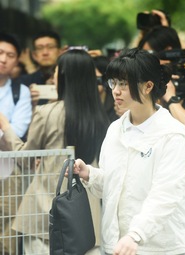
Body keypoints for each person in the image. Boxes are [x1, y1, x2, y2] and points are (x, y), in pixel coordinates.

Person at [72, 48, 185, 255]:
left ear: (148, 86)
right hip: (120, 244)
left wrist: (136, 234)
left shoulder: (172, 134)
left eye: (124, 83)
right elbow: (115, 186)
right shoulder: (115, 129)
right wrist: (90, 174)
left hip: (165, 247)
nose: (116, 91)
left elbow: (166, 194)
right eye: (114, 83)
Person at [0, 49, 110, 255]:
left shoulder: (47, 112)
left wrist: (6, 126)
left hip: (45, 213)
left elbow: (25, 158)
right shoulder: (101, 118)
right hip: (88, 217)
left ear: (65, 77)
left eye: (57, 72)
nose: (53, 77)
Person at [0, 31, 32, 255]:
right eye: (0, 52)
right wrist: (4, 126)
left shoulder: (20, 92)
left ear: (17, 60)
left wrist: (8, 128)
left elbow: (18, 130)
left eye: (10, 55)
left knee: (8, 226)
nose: (3, 59)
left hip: (8, 173)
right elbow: (9, 132)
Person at [19, 30, 62, 106]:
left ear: (60, 52)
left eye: (50, 47)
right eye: (40, 48)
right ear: (34, 55)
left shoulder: (69, 80)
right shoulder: (24, 82)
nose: (45, 53)